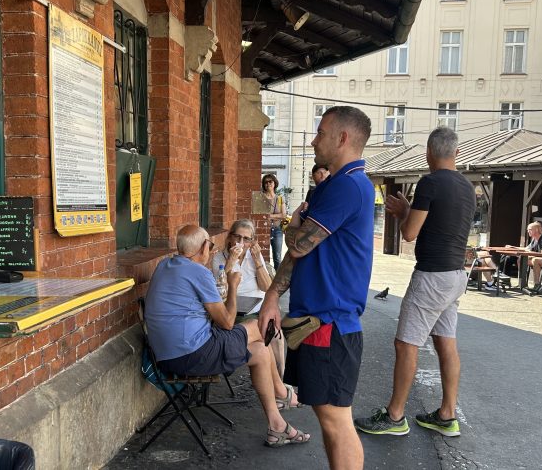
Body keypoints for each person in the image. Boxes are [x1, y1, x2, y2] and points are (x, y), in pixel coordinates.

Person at [258, 106, 374, 470]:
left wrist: (294, 223)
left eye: (320, 132)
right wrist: (272, 297)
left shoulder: (348, 186)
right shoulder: (335, 185)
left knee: (336, 421)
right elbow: (301, 253)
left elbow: (298, 245)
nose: (313, 140)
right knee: (329, 419)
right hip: (318, 322)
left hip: (330, 323)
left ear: (342, 138)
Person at [354, 127, 474, 439]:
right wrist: (411, 212)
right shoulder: (467, 186)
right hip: (456, 275)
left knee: (405, 344)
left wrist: (404, 212)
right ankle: (447, 415)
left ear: (429, 154)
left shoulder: (430, 182)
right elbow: (440, 225)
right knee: (445, 341)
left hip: (432, 276)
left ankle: (395, 416)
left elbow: (410, 233)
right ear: (456, 154)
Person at [145, 225, 309, 447]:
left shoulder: (164, 265)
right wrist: (233, 286)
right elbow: (227, 322)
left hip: (165, 356)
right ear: (203, 247)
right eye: (210, 245)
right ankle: (281, 392)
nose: (211, 250)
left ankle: (277, 425)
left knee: (260, 351)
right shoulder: (198, 272)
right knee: (257, 325)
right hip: (192, 355)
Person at [211, 220, 293, 388]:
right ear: (229, 238)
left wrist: (257, 262)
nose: (241, 243)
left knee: (277, 334)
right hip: (234, 312)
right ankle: (275, 388)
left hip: (257, 308)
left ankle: (282, 381)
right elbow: (220, 290)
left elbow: (266, 287)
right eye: (238, 237)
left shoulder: (254, 256)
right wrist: (231, 261)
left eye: (246, 239)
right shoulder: (219, 257)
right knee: (264, 338)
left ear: (252, 241)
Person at [262, 174, 287, 272]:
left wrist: (269, 216)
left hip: (277, 230)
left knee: (277, 257)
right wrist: (277, 216)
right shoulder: (261, 198)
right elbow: (260, 215)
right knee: (264, 255)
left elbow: (284, 215)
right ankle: (266, 278)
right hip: (264, 229)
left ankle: (277, 279)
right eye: (266, 182)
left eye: (270, 181)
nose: (268, 184)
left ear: (274, 183)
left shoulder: (280, 198)